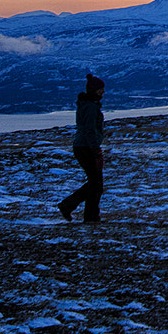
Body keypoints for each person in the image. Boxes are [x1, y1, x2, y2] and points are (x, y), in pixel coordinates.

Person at [57, 73, 106, 223]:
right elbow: (90, 129)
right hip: (86, 147)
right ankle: (87, 214)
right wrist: (95, 148)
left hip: (82, 146)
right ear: (94, 91)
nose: (103, 92)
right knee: (96, 183)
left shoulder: (86, 105)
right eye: (100, 90)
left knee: (94, 182)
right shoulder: (91, 107)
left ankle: (76, 208)